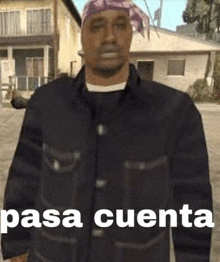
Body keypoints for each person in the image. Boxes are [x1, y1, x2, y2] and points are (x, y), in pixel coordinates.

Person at [1, 0, 213, 261]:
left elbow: (192, 202)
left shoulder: (175, 111)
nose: (109, 36)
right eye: (97, 26)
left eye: (120, 25)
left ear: (131, 34)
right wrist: (16, 245)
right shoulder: (47, 102)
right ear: (82, 36)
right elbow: (24, 179)